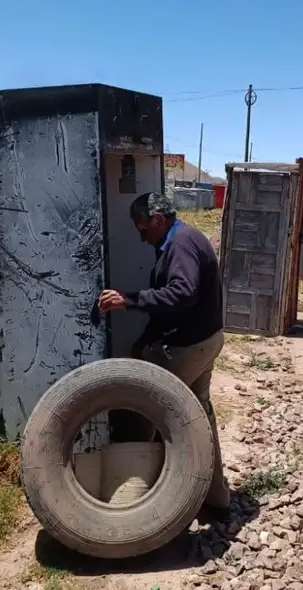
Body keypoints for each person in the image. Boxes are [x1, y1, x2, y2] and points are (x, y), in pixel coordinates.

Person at [98, 191, 230, 512]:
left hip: (188, 346)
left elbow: (182, 294)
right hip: (205, 340)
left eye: (142, 229)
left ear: (157, 220)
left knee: (145, 409)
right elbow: (170, 305)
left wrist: (129, 300)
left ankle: (136, 502)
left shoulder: (181, 244)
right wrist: (146, 338)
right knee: (199, 417)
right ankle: (214, 497)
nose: (141, 237)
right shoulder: (181, 240)